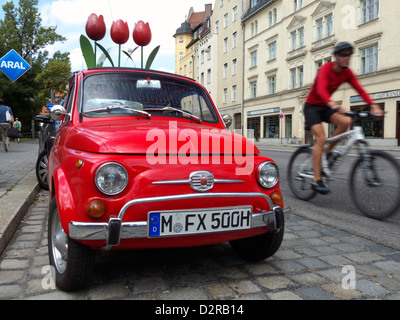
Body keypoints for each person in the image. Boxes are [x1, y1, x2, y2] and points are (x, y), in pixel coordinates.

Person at [304, 41, 383, 194]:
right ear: (335, 56)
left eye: (349, 55)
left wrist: (373, 104)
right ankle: (316, 179)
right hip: (312, 106)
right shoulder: (325, 69)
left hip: (326, 106)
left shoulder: (347, 73)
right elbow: (320, 90)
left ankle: (328, 153)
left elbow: (360, 89)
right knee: (320, 138)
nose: (346, 57)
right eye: (343, 54)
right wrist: (333, 104)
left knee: (347, 121)